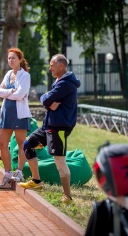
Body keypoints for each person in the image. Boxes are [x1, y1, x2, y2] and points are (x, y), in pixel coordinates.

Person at [19, 54, 81, 205]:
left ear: (61, 66)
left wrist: (47, 100)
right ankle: (36, 181)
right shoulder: (59, 81)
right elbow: (46, 100)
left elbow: (46, 99)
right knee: (28, 145)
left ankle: (67, 197)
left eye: (52, 65)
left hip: (58, 127)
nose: (50, 68)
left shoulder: (66, 84)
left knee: (59, 161)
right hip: (49, 125)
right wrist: (47, 102)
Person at [0, 47, 32, 189]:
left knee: (21, 143)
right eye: (9, 58)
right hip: (6, 113)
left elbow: (20, 95)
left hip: (20, 114)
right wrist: (11, 91)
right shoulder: (7, 74)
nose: (10, 60)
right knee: (2, 143)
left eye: (13, 58)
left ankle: (19, 172)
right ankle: (7, 173)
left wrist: (7, 92)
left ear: (20, 60)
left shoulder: (25, 76)